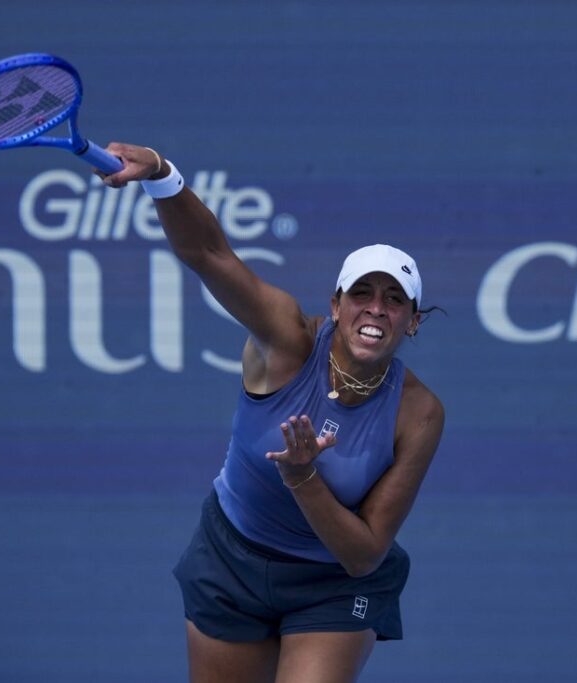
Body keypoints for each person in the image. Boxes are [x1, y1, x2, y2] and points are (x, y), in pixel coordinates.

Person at [100, 143, 445, 683]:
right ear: (336, 305)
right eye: (362, 293)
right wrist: (163, 176)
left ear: (413, 321)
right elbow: (210, 255)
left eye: (395, 299)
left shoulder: (419, 413)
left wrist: (304, 479)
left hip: (334, 583)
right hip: (231, 562)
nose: (376, 308)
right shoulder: (287, 340)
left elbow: (364, 556)